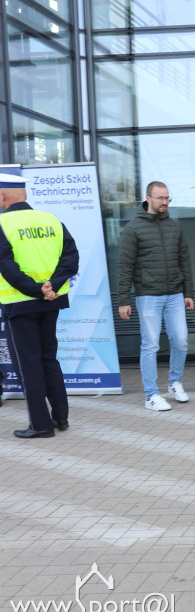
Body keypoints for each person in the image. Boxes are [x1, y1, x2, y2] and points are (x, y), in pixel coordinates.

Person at [0, 173, 79, 438]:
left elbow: (7, 267)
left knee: (28, 364)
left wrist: (36, 290)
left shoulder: (2, 223)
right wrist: (51, 287)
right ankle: (60, 418)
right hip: (51, 303)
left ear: (2, 195)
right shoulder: (51, 220)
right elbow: (71, 258)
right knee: (48, 359)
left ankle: (41, 425)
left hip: (19, 304)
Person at [117, 181, 194, 411]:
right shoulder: (133, 228)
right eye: (160, 198)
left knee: (181, 340)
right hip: (148, 295)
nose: (165, 202)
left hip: (175, 294)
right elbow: (125, 266)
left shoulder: (174, 226)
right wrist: (123, 300)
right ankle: (150, 395)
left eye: (167, 198)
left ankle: (174, 382)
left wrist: (188, 293)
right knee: (150, 345)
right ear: (148, 198)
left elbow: (185, 261)